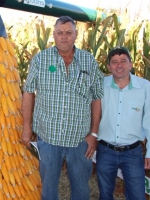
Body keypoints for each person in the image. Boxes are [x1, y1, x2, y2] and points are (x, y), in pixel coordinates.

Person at [21, 16, 104, 200]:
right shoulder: (41, 60)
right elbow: (28, 92)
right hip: (49, 138)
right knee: (48, 190)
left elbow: (97, 97)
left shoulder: (88, 61)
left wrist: (94, 134)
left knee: (81, 189)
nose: (64, 36)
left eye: (68, 33)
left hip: (80, 140)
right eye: (60, 33)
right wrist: (26, 127)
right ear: (54, 35)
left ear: (76, 35)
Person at [96, 47, 150, 200]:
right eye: (114, 62)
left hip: (132, 152)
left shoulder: (144, 87)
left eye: (123, 61)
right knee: (105, 194)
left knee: (137, 195)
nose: (119, 65)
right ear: (109, 67)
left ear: (131, 64)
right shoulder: (100, 85)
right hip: (105, 150)